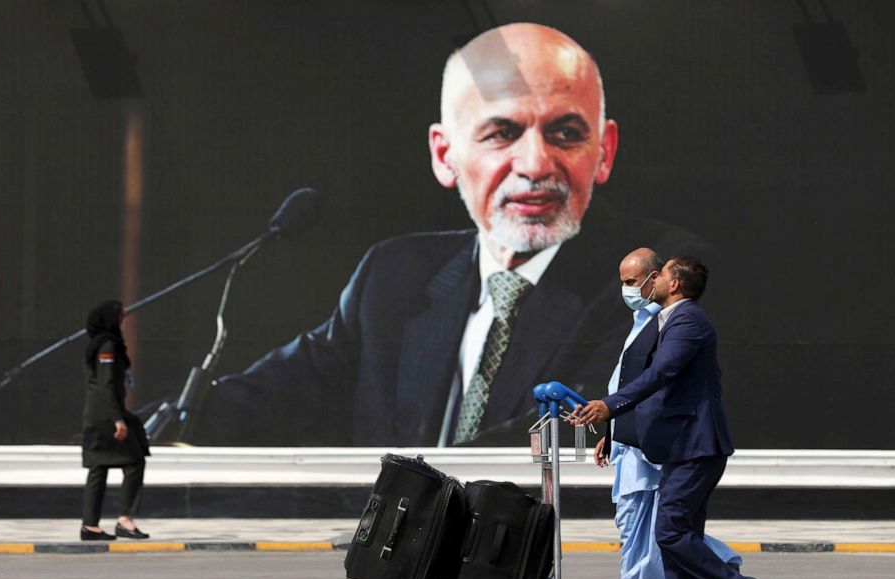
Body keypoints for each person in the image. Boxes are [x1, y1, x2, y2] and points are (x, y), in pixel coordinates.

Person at [189, 23, 632, 447]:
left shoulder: (648, 283)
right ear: (445, 155)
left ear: (604, 152)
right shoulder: (393, 276)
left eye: (567, 133)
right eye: (502, 133)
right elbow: (266, 399)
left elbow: (572, 430)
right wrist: (139, 431)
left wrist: (414, 489)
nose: (535, 164)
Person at [572, 257, 765, 579]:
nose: (652, 280)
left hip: (697, 445)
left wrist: (611, 406)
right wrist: (615, 429)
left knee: (670, 531)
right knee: (678, 533)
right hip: (678, 445)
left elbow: (661, 373)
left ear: (674, 283)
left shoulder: (687, 321)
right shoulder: (666, 320)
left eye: (659, 274)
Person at [80, 300, 151, 541]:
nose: (123, 320)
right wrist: (118, 420)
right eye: (120, 316)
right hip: (107, 415)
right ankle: (125, 520)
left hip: (98, 412)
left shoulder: (101, 343)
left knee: (98, 468)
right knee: (135, 461)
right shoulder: (107, 345)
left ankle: (90, 526)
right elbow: (106, 384)